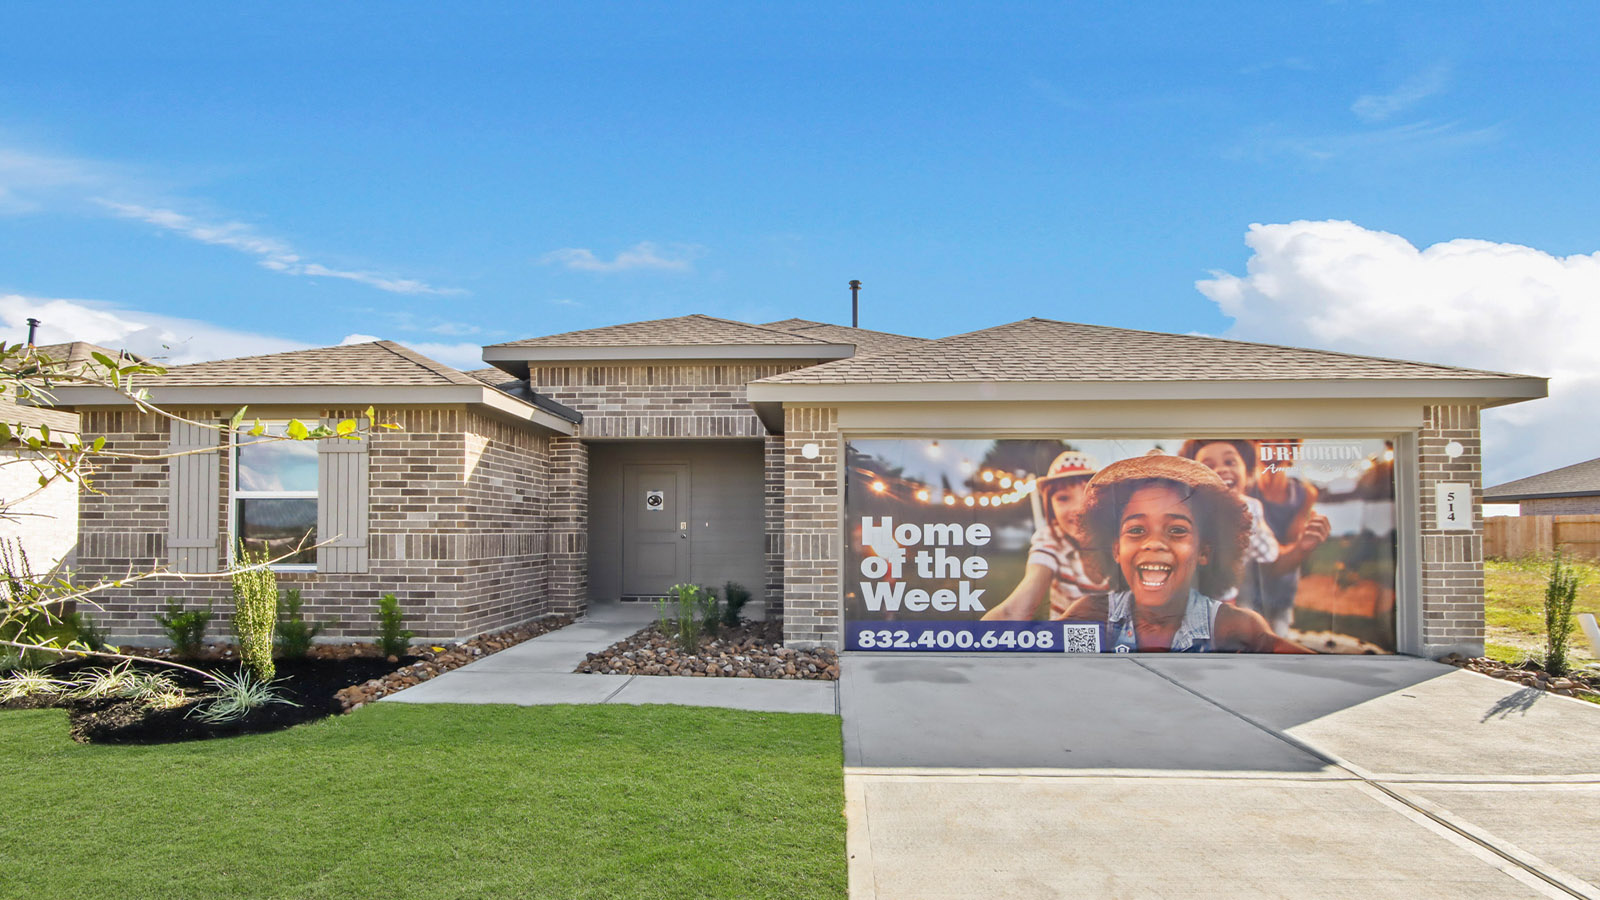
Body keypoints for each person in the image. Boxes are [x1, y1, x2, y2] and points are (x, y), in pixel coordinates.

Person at [1061, 455, 1311, 653]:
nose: (1154, 543)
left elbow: (1313, 673)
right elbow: (1062, 677)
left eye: (1177, 530)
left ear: (1204, 551)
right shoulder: (1092, 618)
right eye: (1136, 530)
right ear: (1116, 549)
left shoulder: (1230, 627)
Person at [982, 450, 1106, 621]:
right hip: (1065, 642)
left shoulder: (1124, 537)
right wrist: (979, 640)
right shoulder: (1051, 539)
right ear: (1050, 506)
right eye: (1063, 498)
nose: (1078, 509)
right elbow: (1017, 607)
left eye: (1088, 495)